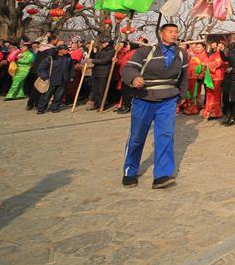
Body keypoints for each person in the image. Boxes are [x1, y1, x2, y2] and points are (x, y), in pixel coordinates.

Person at [120, 23, 188, 189]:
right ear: (161, 33)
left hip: (168, 100)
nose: (174, 34)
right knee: (137, 136)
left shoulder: (181, 54)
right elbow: (128, 69)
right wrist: (134, 78)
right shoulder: (145, 51)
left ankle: (162, 174)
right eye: (170, 31)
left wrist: (182, 95)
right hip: (144, 98)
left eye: (176, 32)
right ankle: (130, 171)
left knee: (165, 135)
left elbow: (183, 77)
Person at [36, 44, 73, 114]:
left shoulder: (68, 58)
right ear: (60, 50)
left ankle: (55, 108)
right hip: (51, 80)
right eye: (65, 49)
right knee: (46, 95)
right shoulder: (51, 58)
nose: (67, 51)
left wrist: (71, 76)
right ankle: (41, 109)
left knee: (59, 96)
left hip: (63, 79)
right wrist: (45, 77)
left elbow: (71, 68)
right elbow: (41, 68)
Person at [86, 40, 117, 110]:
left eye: (105, 42)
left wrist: (92, 61)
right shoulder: (101, 50)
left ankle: (103, 104)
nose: (103, 44)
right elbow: (94, 56)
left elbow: (104, 61)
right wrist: (90, 50)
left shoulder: (111, 51)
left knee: (101, 90)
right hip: (96, 72)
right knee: (95, 90)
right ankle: (97, 104)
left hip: (103, 72)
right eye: (103, 43)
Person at [201, 42, 224, 120]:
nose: (219, 48)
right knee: (209, 94)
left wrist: (207, 64)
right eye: (218, 46)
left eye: (221, 47)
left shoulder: (222, 56)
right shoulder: (212, 55)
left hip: (217, 77)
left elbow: (217, 64)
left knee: (216, 95)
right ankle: (209, 110)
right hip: (210, 77)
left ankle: (215, 112)